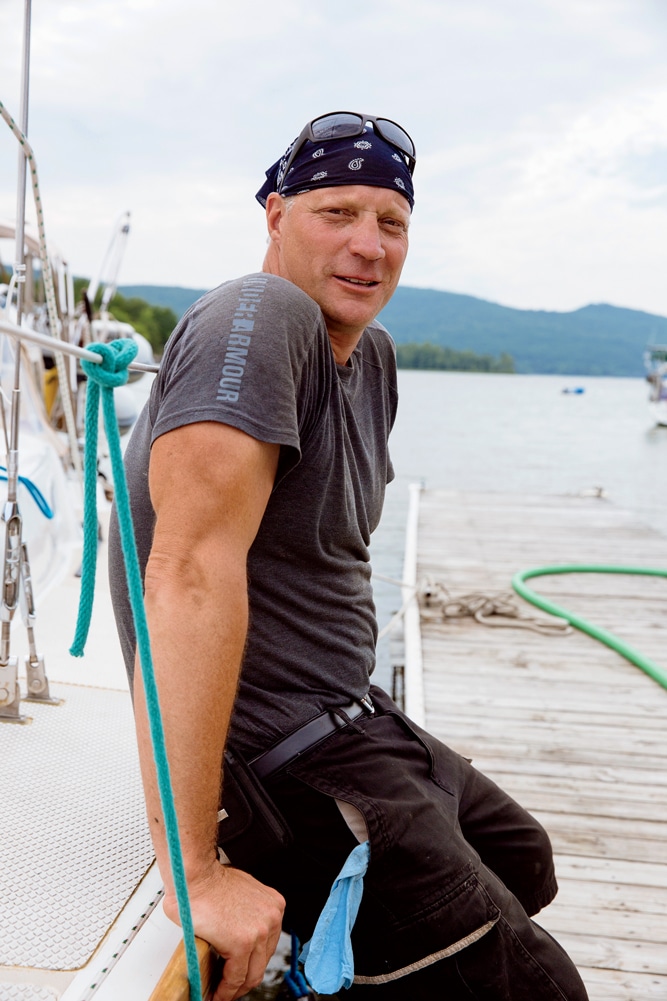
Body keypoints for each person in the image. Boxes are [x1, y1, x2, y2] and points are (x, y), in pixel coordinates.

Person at [109, 112, 589, 1001]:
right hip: (279, 759)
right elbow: (181, 572)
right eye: (337, 212)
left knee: (522, 861)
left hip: (352, 715)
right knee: (542, 987)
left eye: (391, 221)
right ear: (274, 214)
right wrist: (194, 865)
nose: (369, 246)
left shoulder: (373, 359)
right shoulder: (259, 315)